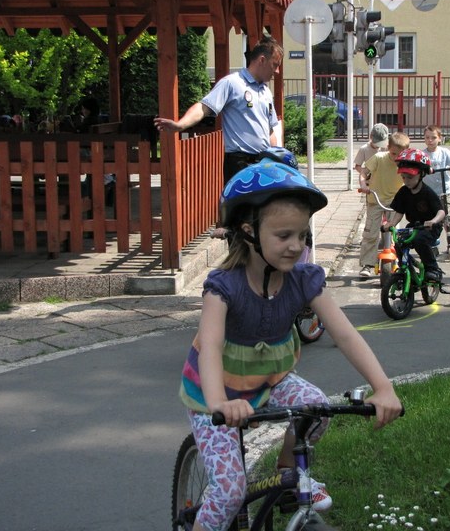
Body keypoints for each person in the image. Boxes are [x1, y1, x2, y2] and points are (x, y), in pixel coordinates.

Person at [179, 159, 403, 531]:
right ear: (248, 232)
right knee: (230, 492)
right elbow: (213, 346)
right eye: (284, 236)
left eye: (302, 235)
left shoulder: (303, 280)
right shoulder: (223, 287)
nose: (296, 246)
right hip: (213, 394)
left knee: (316, 409)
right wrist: (219, 402)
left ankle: (287, 469)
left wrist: (383, 387)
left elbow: (345, 333)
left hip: (269, 382)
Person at [154, 35, 284, 185]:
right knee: (240, 208)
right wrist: (180, 125)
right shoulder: (232, 83)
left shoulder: (265, 92)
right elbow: (203, 107)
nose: (277, 71)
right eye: (275, 65)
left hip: (263, 162)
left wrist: (277, 158)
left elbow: (270, 130)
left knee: (264, 208)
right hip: (239, 163)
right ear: (262, 60)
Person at [379, 147, 446, 283]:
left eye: (410, 177)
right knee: (399, 241)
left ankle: (432, 269)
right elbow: (399, 211)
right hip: (414, 226)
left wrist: (433, 221)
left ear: (421, 174)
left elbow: (441, 211)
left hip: (430, 227)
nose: (406, 181)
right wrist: (391, 224)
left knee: (420, 240)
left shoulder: (427, 192)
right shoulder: (404, 192)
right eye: (403, 177)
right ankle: (405, 266)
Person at [356, 131, 405, 280]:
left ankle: (397, 260)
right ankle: (367, 264)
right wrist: (363, 184)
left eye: (400, 155)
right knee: (371, 233)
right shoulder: (378, 158)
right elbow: (363, 173)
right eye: (394, 153)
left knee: (395, 233)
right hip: (376, 200)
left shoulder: (406, 161)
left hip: (396, 202)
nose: (397, 158)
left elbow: (415, 175)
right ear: (388, 148)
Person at [421, 124, 450, 254]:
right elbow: (417, 167)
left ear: (440, 138)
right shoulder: (423, 154)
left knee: (446, 216)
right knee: (429, 217)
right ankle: (431, 241)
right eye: (427, 137)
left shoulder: (444, 152)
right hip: (428, 192)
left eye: (433, 137)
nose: (430, 140)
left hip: (443, 191)